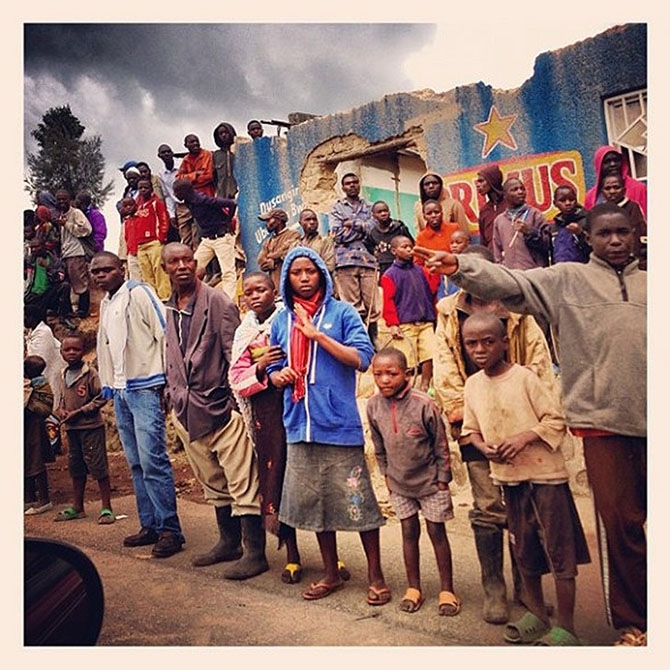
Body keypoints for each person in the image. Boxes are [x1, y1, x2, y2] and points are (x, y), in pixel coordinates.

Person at [414, 202, 647, 646]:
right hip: (604, 426)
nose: (615, 240)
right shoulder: (567, 279)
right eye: (605, 234)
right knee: (622, 529)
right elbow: (512, 282)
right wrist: (461, 266)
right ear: (589, 239)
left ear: (637, 233)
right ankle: (635, 624)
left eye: (623, 232)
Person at [432, 243, 557, 625]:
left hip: (520, 422)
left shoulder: (518, 310)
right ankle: (493, 588)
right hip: (476, 425)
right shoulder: (448, 312)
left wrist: (532, 420)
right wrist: (464, 420)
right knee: (488, 508)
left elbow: (538, 362)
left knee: (525, 508)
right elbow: (445, 367)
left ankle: (527, 587)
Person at [267, 246, 391, 606]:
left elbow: (362, 359)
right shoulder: (281, 320)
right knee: (319, 508)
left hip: (338, 425)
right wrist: (279, 375)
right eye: (296, 272)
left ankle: (377, 576)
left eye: (310, 271)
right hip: (300, 427)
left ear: (322, 273)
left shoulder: (343, 313)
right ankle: (331, 574)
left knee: (359, 503)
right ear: (287, 278)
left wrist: (318, 337)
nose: (304, 278)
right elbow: (273, 363)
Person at [460, 312, 590, 646]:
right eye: (471, 343)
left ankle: (567, 627)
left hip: (545, 477)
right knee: (524, 548)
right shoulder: (472, 385)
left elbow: (555, 419)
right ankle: (537, 615)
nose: (479, 350)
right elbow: (470, 431)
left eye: (488, 341)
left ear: (504, 342)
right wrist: (482, 447)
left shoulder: (525, 378)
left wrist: (523, 438)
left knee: (559, 551)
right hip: (509, 478)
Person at [161, 243, 268, 580]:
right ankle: (229, 542)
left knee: (243, 483)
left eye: (187, 260)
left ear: (196, 265)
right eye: (174, 262)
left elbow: (234, 354)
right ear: (164, 269)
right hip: (187, 411)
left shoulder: (218, 302)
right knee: (213, 482)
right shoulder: (169, 308)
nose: (181, 266)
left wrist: (231, 403)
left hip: (222, 409)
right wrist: (172, 395)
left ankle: (255, 553)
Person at [89, 251, 185, 558]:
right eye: (96, 272)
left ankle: (170, 530)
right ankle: (150, 525)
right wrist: (109, 385)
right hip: (121, 391)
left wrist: (167, 382)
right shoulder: (107, 303)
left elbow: (166, 334)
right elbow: (107, 347)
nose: (101, 275)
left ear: (120, 269)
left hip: (146, 387)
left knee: (153, 460)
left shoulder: (139, 292)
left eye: (106, 269)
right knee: (135, 462)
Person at [367, 347, 460, 617]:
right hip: (399, 484)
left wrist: (443, 479)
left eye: (392, 374)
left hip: (431, 483)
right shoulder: (373, 406)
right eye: (378, 374)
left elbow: (441, 444)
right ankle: (414, 587)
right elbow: (379, 446)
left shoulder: (424, 404)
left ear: (407, 374)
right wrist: (386, 474)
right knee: (408, 533)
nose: (384, 380)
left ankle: (447, 590)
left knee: (437, 534)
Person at [229, 272, 303, 583]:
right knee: (278, 480)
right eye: (249, 292)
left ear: (274, 291)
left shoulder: (292, 319)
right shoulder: (245, 330)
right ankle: (292, 554)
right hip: (268, 416)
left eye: (262, 289)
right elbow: (236, 377)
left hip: (298, 408)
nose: (255, 295)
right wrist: (262, 367)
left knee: (307, 478)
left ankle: (332, 553)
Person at [54, 332, 115, 525]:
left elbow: (102, 397)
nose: (72, 353)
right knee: (76, 467)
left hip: (90, 427)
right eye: (67, 349)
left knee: (97, 466)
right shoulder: (63, 374)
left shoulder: (90, 374)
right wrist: (62, 410)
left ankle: (106, 507)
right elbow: (62, 397)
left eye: (76, 349)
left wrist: (80, 411)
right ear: (62, 352)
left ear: (83, 351)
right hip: (72, 429)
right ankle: (78, 507)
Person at [380, 235, 439, 392]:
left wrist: (434, 271)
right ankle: (408, 389)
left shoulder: (420, 271)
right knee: (407, 360)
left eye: (410, 246)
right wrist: (393, 324)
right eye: (404, 247)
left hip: (425, 321)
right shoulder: (389, 275)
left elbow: (432, 290)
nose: (409, 249)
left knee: (429, 354)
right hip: (405, 324)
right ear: (394, 251)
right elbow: (388, 302)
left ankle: (426, 386)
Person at [328, 172, 380, 346]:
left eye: (355, 182)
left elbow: (374, 230)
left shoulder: (370, 206)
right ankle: (359, 341)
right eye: (348, 183)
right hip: (346, 262)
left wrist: (352, 224)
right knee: (352, 306)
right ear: (343, 187)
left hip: (368, 260)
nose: (352, 185)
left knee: (372, 305)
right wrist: (362, 228)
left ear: (359, 184)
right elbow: (337, 235)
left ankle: (374, 339)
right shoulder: (337, 208)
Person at [172, 178, 238, 301]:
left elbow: (231, 203)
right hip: (207, 240)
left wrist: (228, 221)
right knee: (193, 267)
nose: (175, 195)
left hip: (221, 239)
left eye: (177, 192)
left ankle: (229, 303)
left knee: (228, 272)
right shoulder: (188, 201)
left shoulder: (202, 200)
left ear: (185, 191)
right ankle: (192, 298)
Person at [492, 178, 550, 270]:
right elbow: (497, 251)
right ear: (505, 195)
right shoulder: (499, 220)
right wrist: (502, 268)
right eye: (514, 190)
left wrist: (529, 231)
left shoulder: (535, 215)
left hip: (534, 273)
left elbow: (547, 244)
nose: (520, 192)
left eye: (522, 189)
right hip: (512, 276)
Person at [127, 179, 171, 300]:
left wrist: (161, 237)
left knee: (159, 271)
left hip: (154, 242)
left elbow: (163, 219)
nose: (143, 190)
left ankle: (165, 297)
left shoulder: (156, 203)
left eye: (145, 188)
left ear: (151, 189)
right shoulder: (137, 205)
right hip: (141, 244)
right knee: (146, 273)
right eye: (140, 188)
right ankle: (153, 299)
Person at [24, 355, 54, 516]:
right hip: (26, 428)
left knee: (36, 462)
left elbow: (44, 405)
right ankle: (28, 498)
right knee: (25, 461)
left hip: (35, 428)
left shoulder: (39, 385)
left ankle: (44, 499)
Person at [55, 188, 93, 318]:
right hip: (65, 254)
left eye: (64, 199)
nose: (61, 202)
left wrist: (67, 224)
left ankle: (83, 311)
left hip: (76, 252)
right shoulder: (60, 215)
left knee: (80, 283)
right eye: (59, 199)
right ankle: (68, 312)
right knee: (65, 284)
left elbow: (87, 230)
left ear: (69, 200)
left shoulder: (76, 213)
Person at [414, 199, 462, 299]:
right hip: (435, 280)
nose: (433, 215)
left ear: (442, 213)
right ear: (424, 216)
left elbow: (463, 248)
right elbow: (418, 263)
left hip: (456, 275)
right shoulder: (421, 237)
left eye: (436, 212)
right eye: (429, 213)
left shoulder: (454, 228)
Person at [599, 172, 647, 267]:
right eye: (607, 188)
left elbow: (639, 233)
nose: (612, 191)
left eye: (616, 187)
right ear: (602, 192)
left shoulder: (633, 207)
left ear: (624, 190)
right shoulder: (599, 211)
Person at [584, 145, 647, 218]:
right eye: (607, 161)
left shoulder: (638, 188)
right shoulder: (590, 196)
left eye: (616, 160)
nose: (612, 164)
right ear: (599, 165)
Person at [257, 208, 301, 292]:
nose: (267, 224)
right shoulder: (268, 241)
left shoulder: (293, 234)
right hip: (275, 287)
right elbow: (261, 262)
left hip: (290, 285)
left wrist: (272, 256)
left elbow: (287, 252)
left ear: (278, 221)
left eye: (269, 220)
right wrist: (273, 262)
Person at [366, 200, 414, 277]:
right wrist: (376, 253)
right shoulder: (373, 232)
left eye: (385, 211)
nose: (383, 214)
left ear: (389, 212)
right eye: (379, 212)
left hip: (402, 265)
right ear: (373, 215)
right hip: (384, 267)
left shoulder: (400, 228)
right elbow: (367, 243)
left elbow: (412, 244)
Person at [549, 185, 590, 264]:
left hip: (583, 271)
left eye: (571, 200)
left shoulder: (587, 220)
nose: (568, 203)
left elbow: (594, 249)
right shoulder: (553, 228)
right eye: (562, 200)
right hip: (560, 272)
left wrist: (580, 234)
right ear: (555, 203)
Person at [116, 164, 143, 280]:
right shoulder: (128, 192)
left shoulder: (143, 192)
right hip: (127, 225)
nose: (131, 181)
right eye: (129, 179)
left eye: (134, 178)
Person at [156, 144, 182, 243]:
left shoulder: (181, 165)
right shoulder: (161, 173)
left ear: (172, 153)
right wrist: (171, 215)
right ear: (159, 156)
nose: (166, 154)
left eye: (168, 151)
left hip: (191, 203)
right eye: (163, 152)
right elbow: (167, 195)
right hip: (178, 207)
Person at [475, 164, 505, 249]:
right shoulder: (484, 210)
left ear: (492, 181)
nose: (477, 185)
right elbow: (483, 241)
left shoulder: (510, 204)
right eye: (477, 182)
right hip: (492, 259)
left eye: (481, 181)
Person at [297, 208, 335, 276]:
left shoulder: (325, 241)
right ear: (300, 223)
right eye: (308, 219)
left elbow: (329, 266)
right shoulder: (295, 245)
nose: (312, 222)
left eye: (314, 219)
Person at [212, 122, 238, 200]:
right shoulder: (216, 155)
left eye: (226, 132)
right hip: (222, 196)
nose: (223, 135)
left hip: (238, 194)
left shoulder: (239, 151)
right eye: (221, 133)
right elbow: (214, 177)